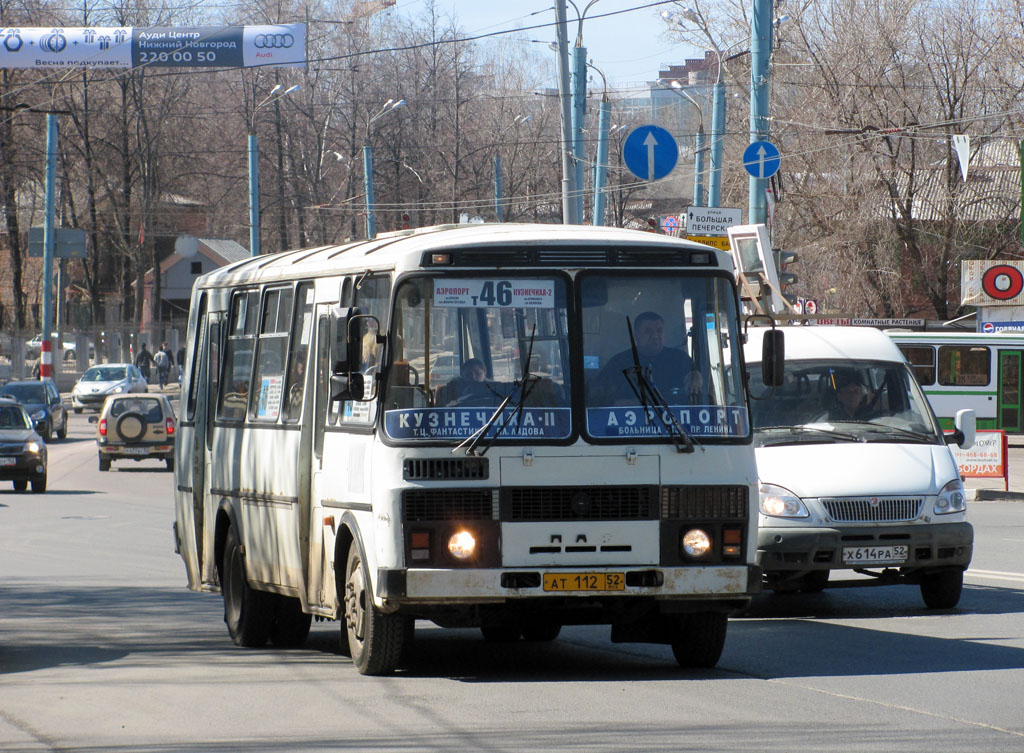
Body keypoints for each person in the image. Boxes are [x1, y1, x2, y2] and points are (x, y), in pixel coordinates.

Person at [591, 311, 702, 405]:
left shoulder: (680, 358)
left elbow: (696, 378)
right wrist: (628, 403)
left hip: (674, 426)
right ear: (636, 335)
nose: (655, 336)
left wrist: (695, 378)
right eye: (648, 331)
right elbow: (597, 395)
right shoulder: (618, 363)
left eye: (659, 330)